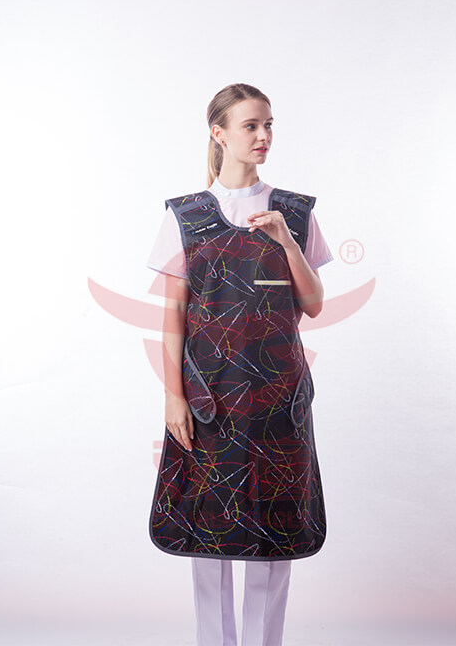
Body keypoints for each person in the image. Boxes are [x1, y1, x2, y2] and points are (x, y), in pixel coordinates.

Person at [145, 83, 333, 646]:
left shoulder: (294, 212)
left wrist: (287, 242)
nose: (264, 136)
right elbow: (173, 315)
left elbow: (314, 304)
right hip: (210, 399)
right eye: (251, 125)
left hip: (279, 399)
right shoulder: (185, 216)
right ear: (219, 133)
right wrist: (173, 395)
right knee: (209, 531)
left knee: (276, 531)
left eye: (269, 124)